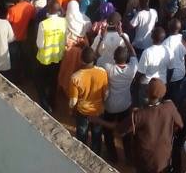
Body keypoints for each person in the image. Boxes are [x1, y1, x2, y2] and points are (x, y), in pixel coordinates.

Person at [116, 78, 183, 173]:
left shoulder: (139, 114)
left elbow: (120, 130)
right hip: (164, 158)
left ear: (147, 92)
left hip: (145, 161)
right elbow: (180, 125)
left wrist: (99, 121)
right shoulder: (170, 107)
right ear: (164, 93)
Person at [101, 24, 138, 163]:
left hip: (110, 105)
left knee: (108, 131)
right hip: (125, 104)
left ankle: (112, 156)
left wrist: (103, 36)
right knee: (126, 133)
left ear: (114, 59)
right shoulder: (132, 69)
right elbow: (133, 53)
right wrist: (122, 35)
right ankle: (128, 157)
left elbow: (100, 54)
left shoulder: (108, 68)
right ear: (126, 59)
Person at [68, 46, 109, 155]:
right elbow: (106, 93)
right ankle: (96, 154)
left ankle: (81, 154)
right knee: (97, 135)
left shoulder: (75, 77)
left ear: (81, 60)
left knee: (82, 135)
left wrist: (71, 110)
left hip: (83, 112)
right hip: (98, 111)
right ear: (94, 58)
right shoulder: (103, 72)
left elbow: (73, 101)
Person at [36, 0, 67, 113]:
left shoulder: (43, 24)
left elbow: (39, 44)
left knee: (42, 82)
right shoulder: (63, 22)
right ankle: (52, 102)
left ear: (48, 10)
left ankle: (44, 104)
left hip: (44, 58)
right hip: (57, 56)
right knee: (53, 81)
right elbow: (64, 39)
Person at [58, 0, 91, 95]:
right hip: (82, 47)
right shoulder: (85, 19)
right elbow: (89, 29)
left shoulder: (65, 20)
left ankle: (65, 88)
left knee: (67, 70)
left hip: (70, 49)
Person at [135, 26, 170, 106]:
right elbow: (170, 68)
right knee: (158, 106)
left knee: (145, 107)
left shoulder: (147, 52)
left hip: (147, 85)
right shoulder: (167, 50)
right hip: (162, 84)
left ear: (151, 37)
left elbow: (141, 72)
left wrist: (135, 82)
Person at [164, 18, 186, 102]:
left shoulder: (165, 43)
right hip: (182, 73)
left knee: (169, 99)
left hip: (171, 76)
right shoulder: (184, 38)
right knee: (177, 96)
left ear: (169, 27)